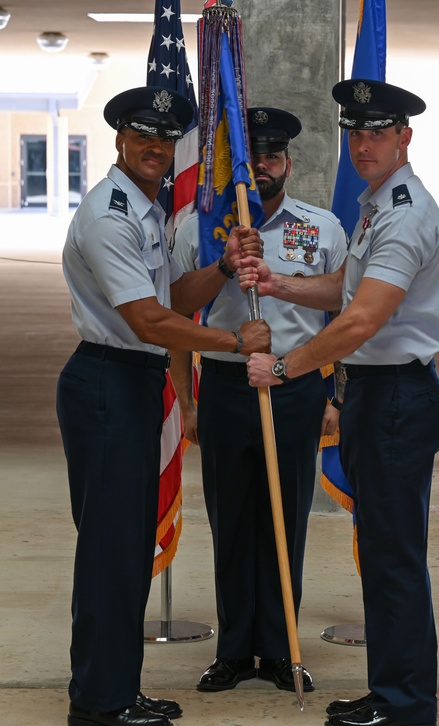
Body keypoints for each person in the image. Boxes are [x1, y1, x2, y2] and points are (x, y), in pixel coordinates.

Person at [240, 80, 439, 726]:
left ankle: (407, 702)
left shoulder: (405, 213)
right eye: (355, 132)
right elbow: (347, 287)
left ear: (404, 139)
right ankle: (389, 688)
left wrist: (283, 367)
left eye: (378, 132)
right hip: (377, 395)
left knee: (394, 556)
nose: (363, 144)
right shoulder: (376, 207)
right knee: (385, 548)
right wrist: (281, 284)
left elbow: (361, 320)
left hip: (397, 397)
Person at [56, 86, 271, 726]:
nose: (154, 147)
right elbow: (148, 320)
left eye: (164, 138)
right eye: (141, 135)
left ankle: (118, 685)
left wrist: (224, 270)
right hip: (108, 383)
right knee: (110, 549)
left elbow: (170, 296)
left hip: (130, 383)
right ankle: (98, 698)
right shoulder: (111, 216)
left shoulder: (145, 211)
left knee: (125, 547)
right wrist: (233, 340)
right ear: (119, 140)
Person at [169, 107, 348, 694]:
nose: (261, 170)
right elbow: (174, 309)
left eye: (271, 158)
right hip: (223, 385)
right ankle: (233, 649)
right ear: (229, 167)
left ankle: (279, 648)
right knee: (231, 519)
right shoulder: (200, 227)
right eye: (250, 160)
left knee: (285, 518)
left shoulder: (319, 227)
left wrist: (333, 395)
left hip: (295, 388)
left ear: (288, 164)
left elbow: (341, 318)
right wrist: (187, 404)